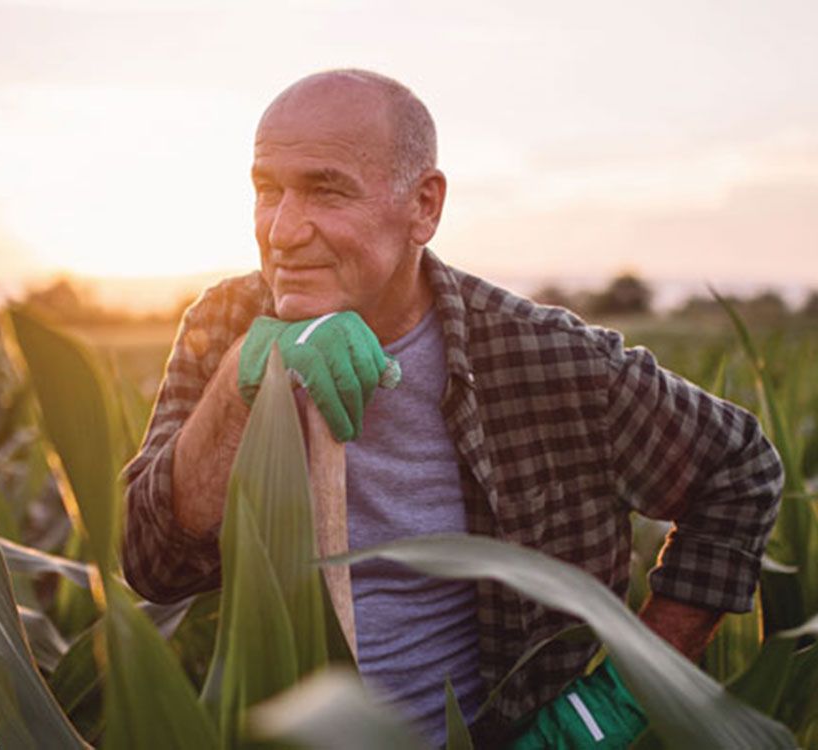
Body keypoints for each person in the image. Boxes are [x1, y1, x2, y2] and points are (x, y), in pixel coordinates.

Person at [122, 69, 783, 746]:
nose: (284, 231)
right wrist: (244, 378)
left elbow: (739, 469)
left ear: (424, 206)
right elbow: (155, 564)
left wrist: (613, 704)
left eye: (327, 190)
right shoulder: (228, 321)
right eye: (268, 190)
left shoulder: (546, 360)